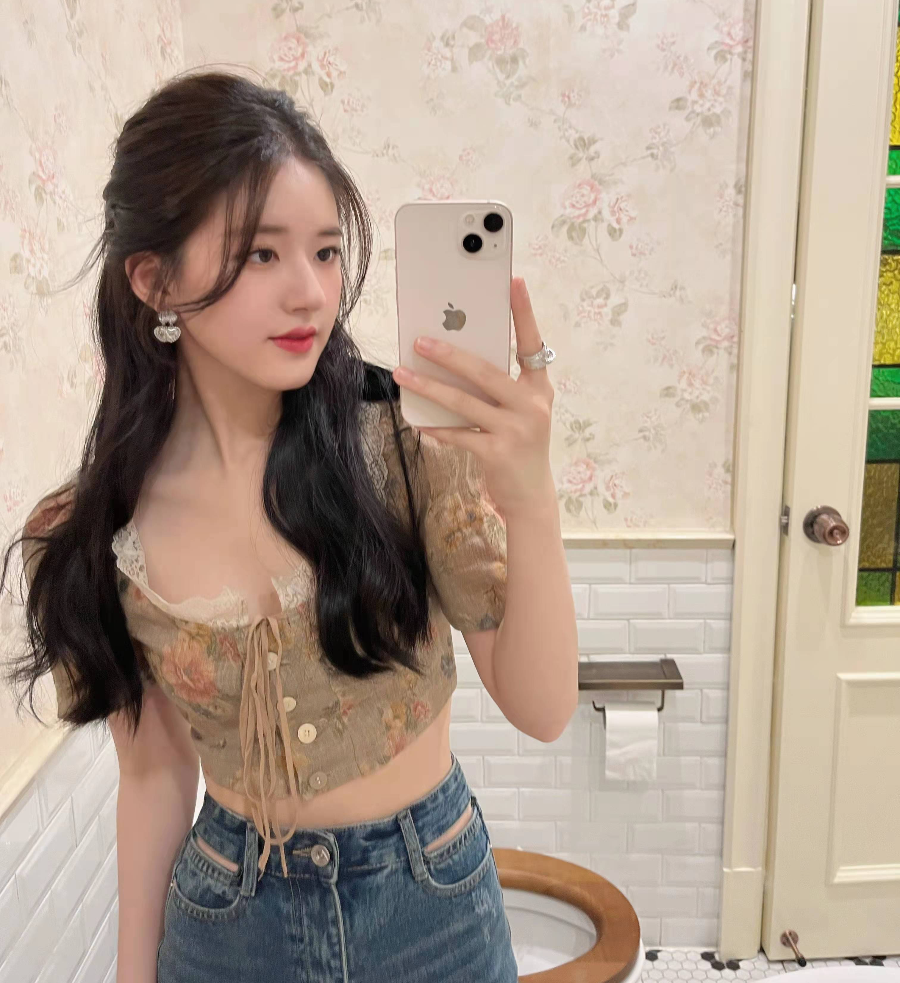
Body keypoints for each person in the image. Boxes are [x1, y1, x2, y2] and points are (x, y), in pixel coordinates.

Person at [2, 67, 577, 983]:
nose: (310, 292)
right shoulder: (91, 530)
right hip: (227, 922)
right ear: (154, 279)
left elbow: (542, 707)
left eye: (325, 251)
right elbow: (153, 775)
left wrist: (531, 495)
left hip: (433, 908)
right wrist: (132, 973)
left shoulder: (402, 447)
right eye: (262, 255)